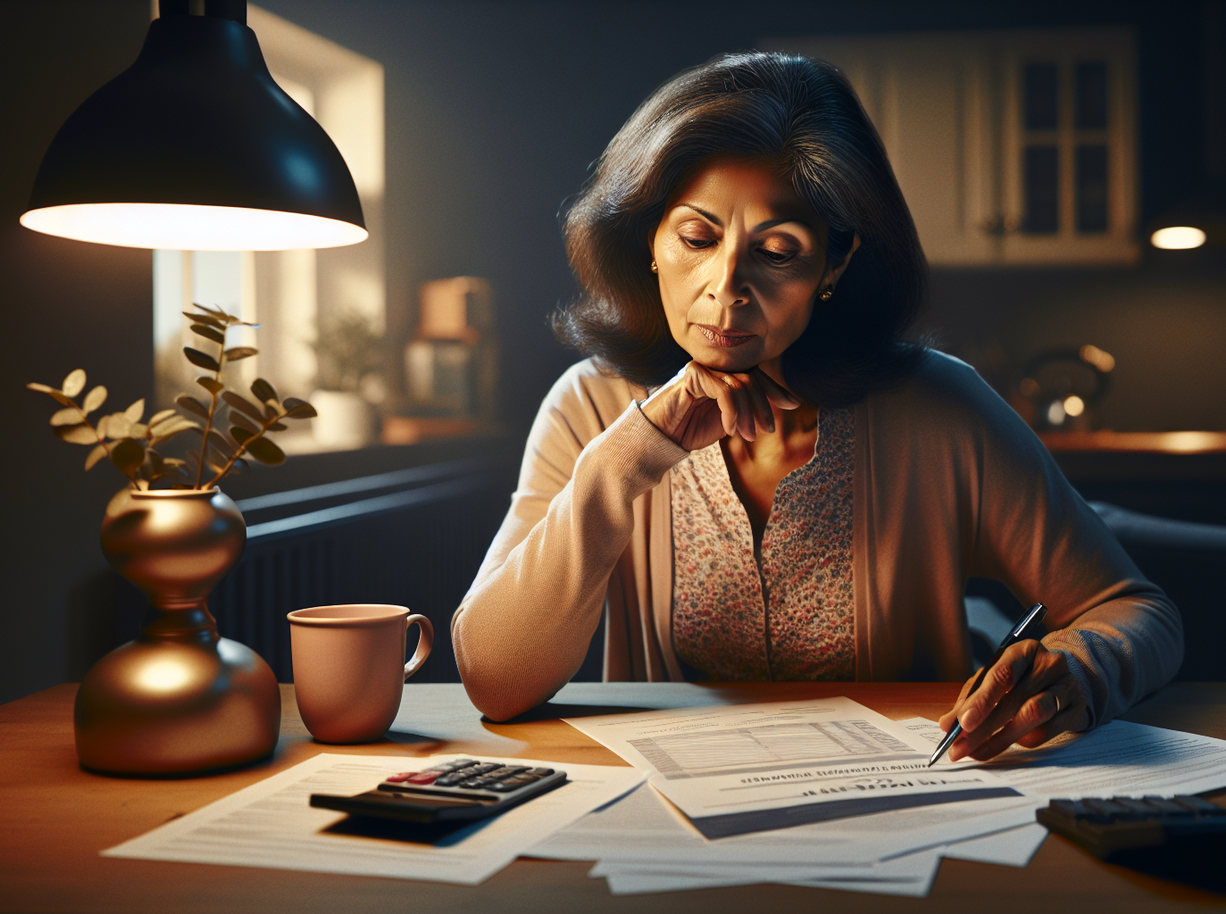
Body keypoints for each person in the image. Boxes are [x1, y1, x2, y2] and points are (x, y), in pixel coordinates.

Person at [452, 51, 1182, 762]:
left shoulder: (942, 410)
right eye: (697, 238)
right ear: (649, 238)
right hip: (667, 824)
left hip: (904, 816)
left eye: (778, 250)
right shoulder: (589, 406)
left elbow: (1138, 611)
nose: (726, 286)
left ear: (834, 264)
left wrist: (1079, 671)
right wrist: (630, 455)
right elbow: (494, 680)